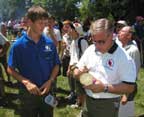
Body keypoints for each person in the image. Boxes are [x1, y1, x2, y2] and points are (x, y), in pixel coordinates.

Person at [73, 18, 136, 117]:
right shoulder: (90, 49)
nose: (97, 46)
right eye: (94, 41)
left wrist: (104, 88)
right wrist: (79, 74)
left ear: (111, 35)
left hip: (107, 104)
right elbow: (77, 70)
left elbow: (130, 87)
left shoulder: (124, 57)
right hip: (88, 100)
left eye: (101, 42)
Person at [7, 6, 60, 117]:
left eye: (45, 23)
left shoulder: (49, 43)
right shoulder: (18, 46)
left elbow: (56, 65)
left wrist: (50, 81)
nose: (44, 26)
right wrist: (26, 82)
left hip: (47, 91)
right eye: (40, 23)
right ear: (30, 22)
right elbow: (10, 69)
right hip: (27, 94)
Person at [118, 26, 141, 117]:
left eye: (122, 31)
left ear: (129, 35)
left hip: (127, 87)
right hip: (118, 86)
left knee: (125, 113)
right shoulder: (120, 47)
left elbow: (133, 73)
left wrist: (126, 94)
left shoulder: (133, 50)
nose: (119, 32)